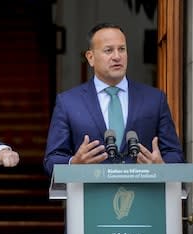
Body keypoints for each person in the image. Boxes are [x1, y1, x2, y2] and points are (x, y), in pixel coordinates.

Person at [43, 23, 184, 177]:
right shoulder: (68, 102)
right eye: (108, 50)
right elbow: (52, 160)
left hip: (144, 195)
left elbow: (174, 154)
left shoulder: (155, 99)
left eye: (122, 49)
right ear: (90, 58)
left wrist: (162, 167)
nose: (117, 56)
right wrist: (74, 164)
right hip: (89, 197)